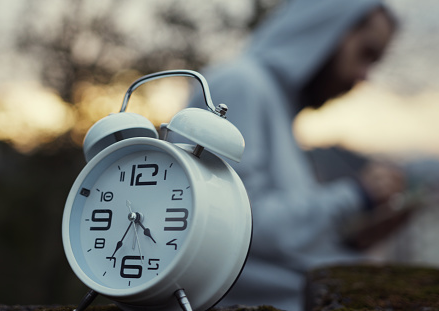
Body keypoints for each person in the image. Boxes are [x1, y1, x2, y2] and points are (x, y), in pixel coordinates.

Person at [173, 0, 404, 310]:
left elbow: (279, 234)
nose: (364, 76)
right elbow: (240, 228)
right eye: (366, 53)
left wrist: (351, 237)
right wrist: (357, 195)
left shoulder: (274, 102)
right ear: (327, 28)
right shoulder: (240, 83)